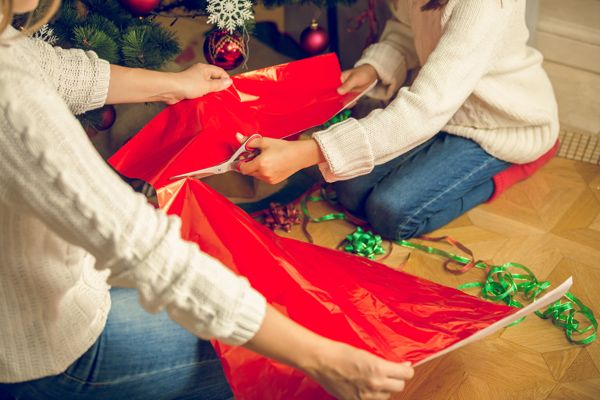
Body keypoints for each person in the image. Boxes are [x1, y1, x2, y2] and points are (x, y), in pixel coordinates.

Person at [0, 1, 414, 399]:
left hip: (31, 312)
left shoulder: (10, 58)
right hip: (47, 355)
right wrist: (322, 359)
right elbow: (145, 250)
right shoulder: (14, 102)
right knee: (274, 354)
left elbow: (50, 69)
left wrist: (175, 85)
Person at [237, 0, 559, 240]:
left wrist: (307, 152)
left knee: (392, 214)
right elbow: (406, 31)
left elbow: (424, 109)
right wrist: (374, 68)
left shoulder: (484, 6)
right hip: (443, 111)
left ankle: (518, 165)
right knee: (349, 189)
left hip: (497, 124)